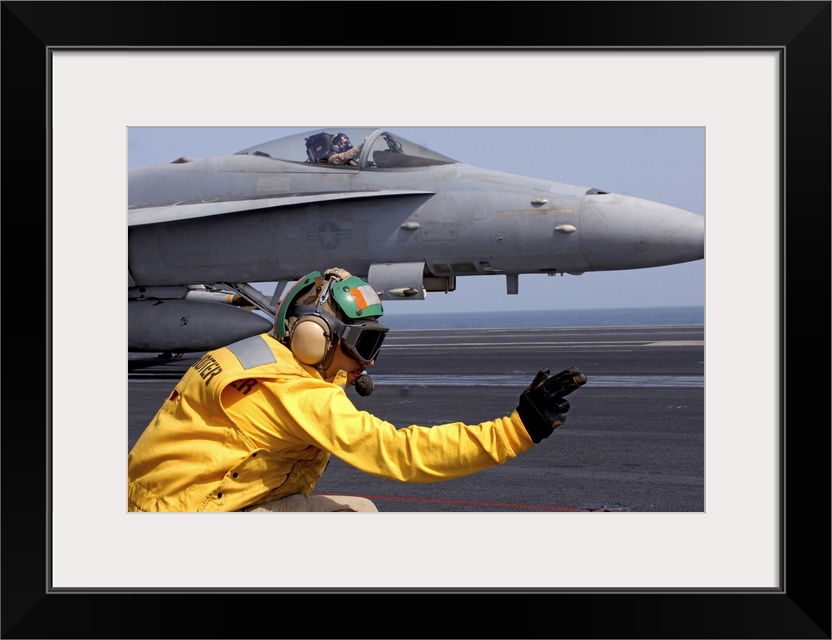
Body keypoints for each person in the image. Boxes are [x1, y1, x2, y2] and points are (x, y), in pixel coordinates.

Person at [127, 267, 586, 512]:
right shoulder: (298, 394)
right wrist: (516, 430)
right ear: (314, 339)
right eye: (362, 345)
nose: (368, 362)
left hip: (153, 502)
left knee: (358, 510)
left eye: (374, 344)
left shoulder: (250, 354)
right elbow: (400, 453)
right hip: (191, 516)